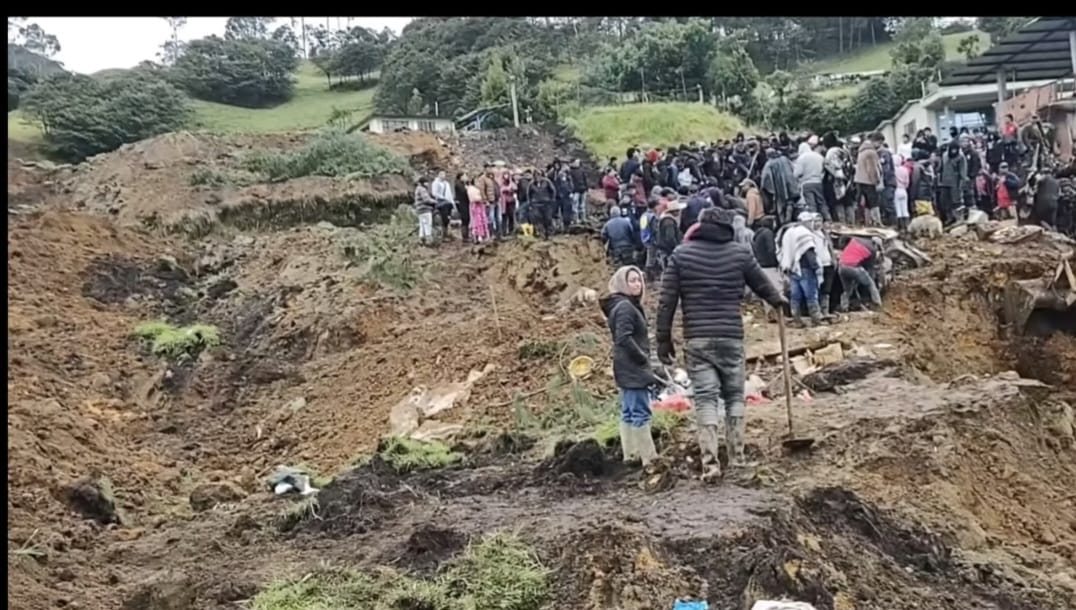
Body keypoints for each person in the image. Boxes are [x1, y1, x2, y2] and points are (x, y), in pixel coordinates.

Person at [656, 207, 788, 479]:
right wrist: (779, 301)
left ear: (700, 226)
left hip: (698, 339)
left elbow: (666, 301)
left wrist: (663, 339)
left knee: (705, 400)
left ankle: (711, 464)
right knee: (734, 397)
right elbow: (762, 284)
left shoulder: (681, 255)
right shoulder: (739, 253)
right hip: (730, 336)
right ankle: (737, 459)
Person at [600, 265, 659, 467]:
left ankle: (631, 454)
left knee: (628, 411)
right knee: (640, 411)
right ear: (622, 284)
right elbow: (623, 337)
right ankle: (649, 458)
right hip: (632, 367)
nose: (637, 284)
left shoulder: (624, 305)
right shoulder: (625, 307)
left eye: (638, 280)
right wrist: (642, 358)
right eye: (632, 280)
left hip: (625, 366)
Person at [778, 213, 823, 327]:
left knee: (795, 295)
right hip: (805, 268)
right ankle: (816, 319)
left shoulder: (789, 232)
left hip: (792, 268)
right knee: (811, 295)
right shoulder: (804, 233)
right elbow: (809, 252)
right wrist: (816, 267)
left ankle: (796, 319)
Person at [837, 236, 883, 312]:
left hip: (841, 267)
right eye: (878, 248)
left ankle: (844, 307)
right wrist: (872, 278)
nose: (877, 250)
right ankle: (878, 304)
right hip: (853, 268)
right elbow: (869, 267)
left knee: (847, 290)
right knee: (871, 284)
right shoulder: (872, 250)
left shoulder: (856, 240)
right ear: (876, 245)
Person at [794, 142, 828, 221]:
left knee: (811, 204)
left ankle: (815, 221)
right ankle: (828, 219)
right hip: (818, 182)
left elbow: (797, 173)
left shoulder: (801, 158)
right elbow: (824, 169)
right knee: (822, 202)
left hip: (807, 183)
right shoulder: (819, 156)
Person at [854, 136, 883, 226]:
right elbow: (871, 168)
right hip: (868, 181)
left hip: (859, 180)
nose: (879, 145)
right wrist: (876, 180)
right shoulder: (871, 152)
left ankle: (868, 221)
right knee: (874, 203)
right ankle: (877, 222)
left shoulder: (861, 151)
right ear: (875, 141)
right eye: (879, 143)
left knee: (866, 203)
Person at [938, 141, 967, 225]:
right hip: (944, 181)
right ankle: (949, 217)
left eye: (955, 149)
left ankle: (959, 218)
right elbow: (941, 168)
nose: (953, 151)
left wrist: (962, 181)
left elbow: (963, 171)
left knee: (956, 201)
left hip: (955, 182)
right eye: (952, 149)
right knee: (945, 201)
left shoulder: (961, 157)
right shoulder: (944, 155)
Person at [528, 170, 557, 239]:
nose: (537, 177)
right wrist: (530, 203)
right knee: (538, 220)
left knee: (548, 219)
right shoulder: (531, 184)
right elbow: (528, 194)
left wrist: (552, 199)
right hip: (536, 204)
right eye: (535, 175)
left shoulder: (547, 182)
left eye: (539, 175)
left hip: (546, 203)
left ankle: (549, 234)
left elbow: (553, 190)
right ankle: (541, 234)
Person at [476, 164, 500, 239]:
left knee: (498, 218)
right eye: (488, 168)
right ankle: (491, 234)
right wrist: (485, 201)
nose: (490, 169)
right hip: (490, 201)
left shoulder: (492, 177)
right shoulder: (482, 178)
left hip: (496, 200)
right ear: (485, 169)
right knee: (491, 218)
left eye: (491, 168)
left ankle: (499, 234)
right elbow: (482, 190)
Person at [431, 170, 455, 240]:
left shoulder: (446, 183)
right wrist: (442, 197)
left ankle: (447, 234)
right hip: (440, 202)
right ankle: (442, 235)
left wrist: (452, 202)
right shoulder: (435, 183)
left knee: (448, 218)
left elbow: (449, 193)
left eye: (444, 174)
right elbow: (434, 193)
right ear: (438, 174)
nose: (443, 175)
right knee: (443, 218)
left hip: (447, 202)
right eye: (441, 174)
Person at [413, 177, 437, 245]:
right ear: (423, 183)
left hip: (420, 210)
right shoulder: (422, 189)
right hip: (425, 209)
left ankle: (421, 239)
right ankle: (428, 240)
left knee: (422, 225)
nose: (428, 184)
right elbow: (426, 199)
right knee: (428, 224)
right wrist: (435, 201)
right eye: (426, 182)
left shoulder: (418, 188)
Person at [466, 179, 490, 243]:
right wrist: (481, 198)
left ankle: (483, 235)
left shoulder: (479, 189)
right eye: (477, 181)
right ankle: (476, 236)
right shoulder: (471, 189)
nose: (478, 183)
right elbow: (473, 198)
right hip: (475, 206)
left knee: (482, 220)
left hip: (480, 206)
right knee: (476, 221)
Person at [893, 156, 911, 231]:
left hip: (896, 190)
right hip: (904, 190)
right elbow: (907, 182)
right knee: (905, 209)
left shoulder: (893, 170)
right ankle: (907, 226)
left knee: (898, 209)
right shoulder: (905, 169)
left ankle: (900, 227)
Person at [499, 171, 518, 237]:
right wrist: (506, 189)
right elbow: (501, 190)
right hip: (504, 203)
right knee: (504, 217)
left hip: (511, 202)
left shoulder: (512, 183)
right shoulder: (501, 183)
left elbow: (515, 188)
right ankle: (504, 232)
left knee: (511, 216)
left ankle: (511, 230)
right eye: (505, 175)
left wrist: (510, 190)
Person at [453, 172, 471, 241]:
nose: (466, 177)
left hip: (466, 203)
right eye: (464, 176)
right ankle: (465, 236)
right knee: (465, 219)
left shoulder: (464, 183)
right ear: (460, 177)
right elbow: (463, 191)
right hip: (461, 203)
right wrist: (467, 187)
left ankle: (467, 235)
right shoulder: (458, 184)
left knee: (467, 219)